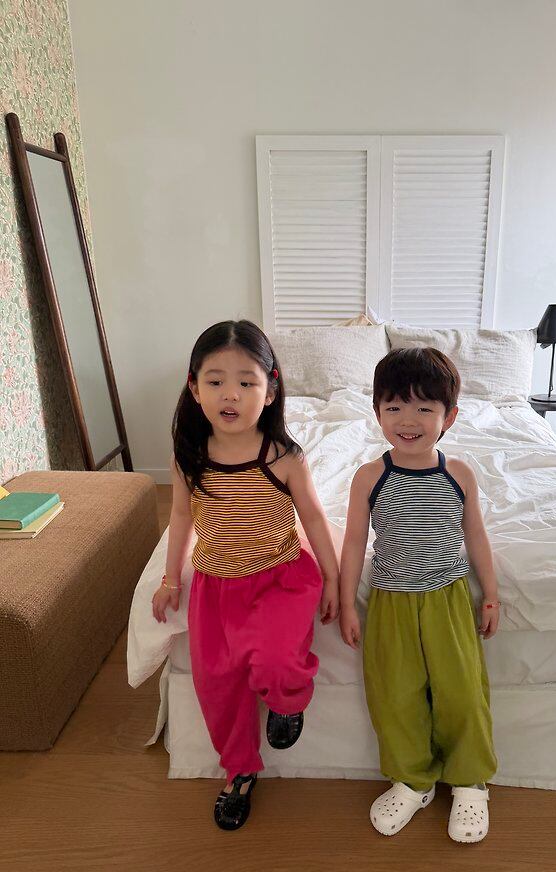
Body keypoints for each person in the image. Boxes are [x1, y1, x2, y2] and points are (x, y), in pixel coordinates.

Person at [152, 320, 339, 830]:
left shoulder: (282, 456)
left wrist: (335, 581)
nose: (230, 394)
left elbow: (314, 517)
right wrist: (170, 580)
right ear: (194, 388)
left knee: (277, 660)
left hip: (281, 579)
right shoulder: (188, 459)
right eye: (215, 381)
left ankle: (287, 703)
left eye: (246, 382)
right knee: (218, 686)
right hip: (215, 590)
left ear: (270, 390)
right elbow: (180, 517)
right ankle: (239, 771)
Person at [340, 347, 499, 843]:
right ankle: (412, 780)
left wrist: (491, 595)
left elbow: (476, 536)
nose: (408, 421)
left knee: (461, 691)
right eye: (394, 407)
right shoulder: (370, 477)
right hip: (391, 601)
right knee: (395, 695)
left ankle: (470, 781)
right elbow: (353, 543)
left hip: (447, 600)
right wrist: (345, 603)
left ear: (449, 416)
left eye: (424, 408)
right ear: (377, 413)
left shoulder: (459, 474)